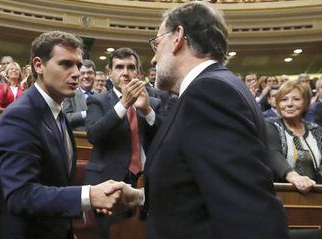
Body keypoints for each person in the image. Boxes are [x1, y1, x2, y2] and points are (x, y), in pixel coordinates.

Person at [107, 2, 290, 239]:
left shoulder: (209, 92)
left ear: (178, 37)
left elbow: (247, 212)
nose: (153, 60)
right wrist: (142, 197)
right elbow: (203, 186)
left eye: (157, 43)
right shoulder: (214, 87)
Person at [0, 31, 125, 239]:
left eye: (78, 65)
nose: (76, 73)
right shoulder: (20, 116)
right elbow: (20, 196)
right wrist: (88, 196)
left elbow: (56, 183)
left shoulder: (57, 113)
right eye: (66, 64)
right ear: (38, 65)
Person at [85, 47, 160, 238]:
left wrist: (148, 111)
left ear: (139, 73)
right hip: (108, 182)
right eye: (119, 67)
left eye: (130, 67)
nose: (125, 73)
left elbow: (164, 138)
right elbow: (94, 135)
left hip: (146, 182)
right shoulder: (98, 101)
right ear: (110, 72)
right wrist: (123, 105)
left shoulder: (154, 101)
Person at [266, 80, 321, 193]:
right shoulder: (270, 125)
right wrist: (294, 177)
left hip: (315, 195)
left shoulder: (315, 129)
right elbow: (273, 153)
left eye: (296, 99)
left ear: (306, 103)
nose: (289, 104)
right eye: (283, 100)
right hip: (281, 195)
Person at [62, 59, 96, 131]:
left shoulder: (100, 96)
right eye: (82, 73)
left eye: (89, 73)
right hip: (78, 139)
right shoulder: (69, 95)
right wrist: (86, 113)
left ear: (95, 75)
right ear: (78, 75)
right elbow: (65, 118)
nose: (86, 76)